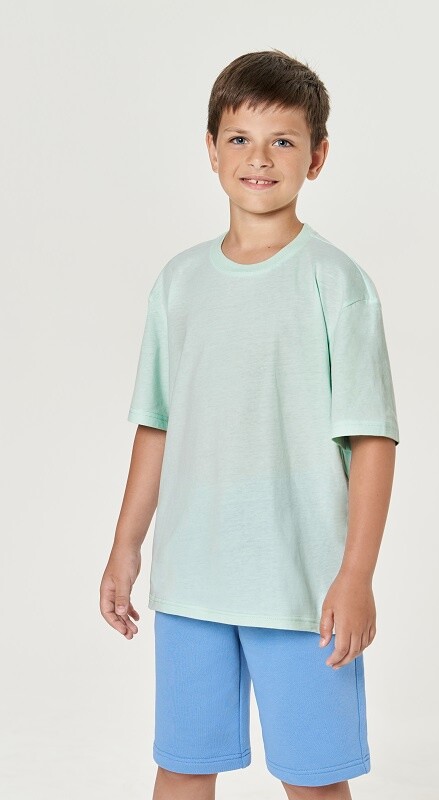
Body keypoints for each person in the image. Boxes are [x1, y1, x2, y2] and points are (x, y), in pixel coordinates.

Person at [100, 48, 400, 800]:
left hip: (301, 590)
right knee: (182, 765)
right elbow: (156, 426)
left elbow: (372, 440)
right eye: (239, 138)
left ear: (317, 156)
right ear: (211, 149)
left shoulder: (336, 283)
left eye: (282, 141)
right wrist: (125, 547)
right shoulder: (178, 283)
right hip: (191, 584)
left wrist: (356, 575)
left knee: (313, 778)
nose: (258, 158)